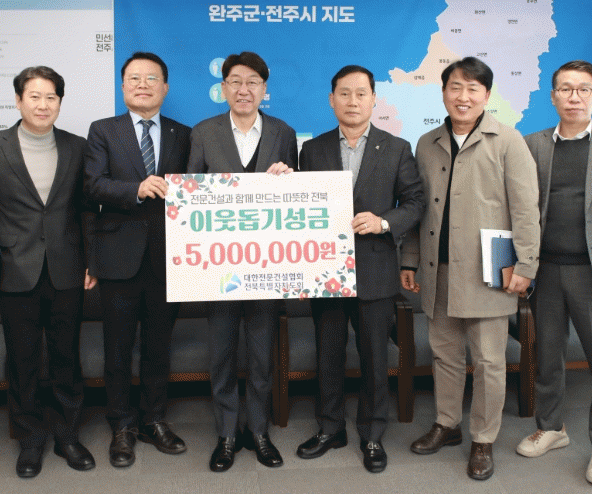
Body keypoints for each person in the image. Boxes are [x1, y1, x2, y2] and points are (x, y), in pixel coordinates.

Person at [400, 57, 540, 481]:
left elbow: (526, 208)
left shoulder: (508, 140)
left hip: (488, 271)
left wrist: (526, 264)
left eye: (473, 89)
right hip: (437, 268)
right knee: (444, 354)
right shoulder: (426, 142)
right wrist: (409, 259)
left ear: (486, 95)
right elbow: (417, 208)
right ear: (444, 92)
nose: (463, 97)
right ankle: (448, 424)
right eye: (455, 88)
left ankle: (483, 438)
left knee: (489, 361)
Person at [296, 65, 425, 473]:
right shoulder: (311, 150)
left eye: (361, 93)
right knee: (328, 354)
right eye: (344, 93)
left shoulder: (397, 147)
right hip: (325, 269)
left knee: (373, 358)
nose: (352, 101)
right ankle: (330, 428)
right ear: (331, 99)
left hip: (375, 268)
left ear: (373, 99)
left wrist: (384, 222)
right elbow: (299, 204)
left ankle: (372, 434)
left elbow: (415, 203)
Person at [0, 66, 97, 477]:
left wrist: (92, 259)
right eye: (35, 96)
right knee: (22, 360)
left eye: (51, 97)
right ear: (18, 100)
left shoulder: (77, 147)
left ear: (60, 102)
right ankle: (29, 440)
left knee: (66, 357)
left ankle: (67, 435)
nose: (43, 105)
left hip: (67, 269)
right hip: (15, 270)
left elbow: (85, 210)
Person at [515, 60, 592, 486]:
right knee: (547, 358)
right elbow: (519, 209)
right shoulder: (532, 144)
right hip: (546, 272)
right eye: (565, 89)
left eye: (583, 89)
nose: (574, 97)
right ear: (552, 97)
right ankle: (552, 428)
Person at [187, 51, 297, 472]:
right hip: (219, 266)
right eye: (235, 81)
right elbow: (189, 197)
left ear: (264, 89)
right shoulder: (204, 133)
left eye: (253, 81)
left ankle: (259, 431)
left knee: (261, 354)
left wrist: (288, 181)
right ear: (224, 88)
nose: (244, 89)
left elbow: (297, 199)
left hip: (268, 265)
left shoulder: (284, 133)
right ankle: (227, 434)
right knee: (222, 352)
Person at [84, 52, 191, 468]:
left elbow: (202, 186)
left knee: (159, 346)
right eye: (134, 78)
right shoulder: (103, 131)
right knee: (118, 347)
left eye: (151, 78)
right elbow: (92, 185)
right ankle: (122, 425)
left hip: (170, 258)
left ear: (165, 87)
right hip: (118, 257)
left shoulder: (184, 134)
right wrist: (136, 189)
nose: (142, 85)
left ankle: (154, 420)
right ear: (123, 86)